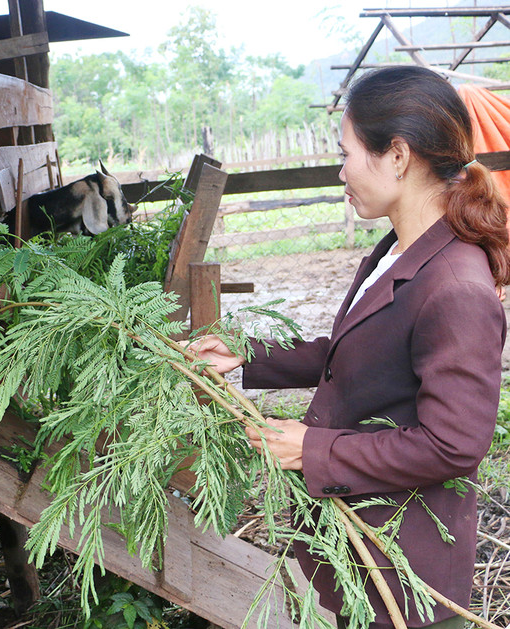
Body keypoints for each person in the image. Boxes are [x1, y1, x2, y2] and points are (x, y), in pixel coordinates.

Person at [188, 65, 509, 628]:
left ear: (399, 156)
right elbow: (352, 351)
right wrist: (247, 358)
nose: (341, 172)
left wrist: (314, 450)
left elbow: (455, 446)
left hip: (404, 572)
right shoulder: (399, 250)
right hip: (360, 549)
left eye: (346, 154)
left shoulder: (456, 286)